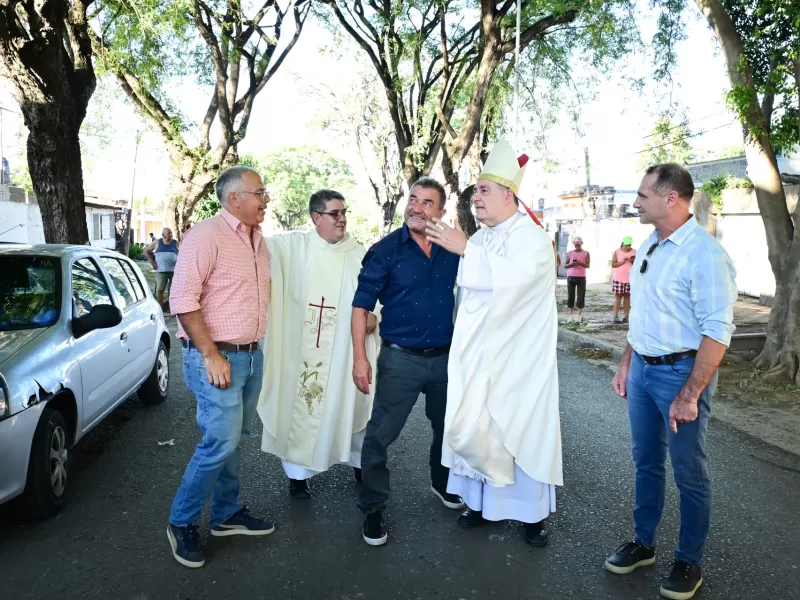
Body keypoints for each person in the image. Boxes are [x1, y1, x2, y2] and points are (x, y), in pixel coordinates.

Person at [605, 164, 737, 600]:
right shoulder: (648, 245)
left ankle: (688, 561)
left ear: (671, 199)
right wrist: (627, 363)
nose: (636, 201)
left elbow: (717, 330)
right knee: (645, 461)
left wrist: (691, 393)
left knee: (689, 472)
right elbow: (640, 315)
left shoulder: (705, 254)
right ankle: (644, 543)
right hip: (642, 369)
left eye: (643, 195)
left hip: (682, 374)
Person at [425, 140, 562, 547]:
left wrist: (465, 249)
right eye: (475, 191)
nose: (475, 198)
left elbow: (516, 283)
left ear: (508, 195)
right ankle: (481, 504)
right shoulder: (482, 239)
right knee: (477, 427)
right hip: (479, 358)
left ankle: (531, 516)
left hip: (519, 362)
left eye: (484, 190)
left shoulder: (533, 239)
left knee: (520, 431)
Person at [166, 166, 273, 569]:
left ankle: (226, 514)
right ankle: (181, 521)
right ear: (234, 199)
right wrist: (211, 355)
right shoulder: (206, 236)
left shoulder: (257, 239)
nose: (265, 199)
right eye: (260, 192)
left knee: (234, 437)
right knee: (218, 443)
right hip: (217, 357)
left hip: (249, 354)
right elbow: (182, 300)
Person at [352, 177, 464, 547]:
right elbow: (361, 306)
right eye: (413, 200)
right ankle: (373, 508)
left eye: (427, 202)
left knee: (446, 428)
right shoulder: (385, 250)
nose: (417, 207)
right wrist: (360, 360)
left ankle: (442, 483)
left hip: (445, 359)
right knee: (380, 435)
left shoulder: (454, 249)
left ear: (441, 212)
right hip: (400, 360)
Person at [257, 190, 381, 499]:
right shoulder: (291, 248)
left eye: (343, 212)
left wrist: (375, 317)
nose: (342, 219)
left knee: (352, 406)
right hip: (303, 351)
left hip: (346, 354)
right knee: (302, 408)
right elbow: (251, 246)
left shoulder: (358, 253)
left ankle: (358, 466)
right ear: (316, 218)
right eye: (334, 213)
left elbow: (378, 298)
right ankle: (298, 476)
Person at [144, 227, 179, 311]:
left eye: (171, 233)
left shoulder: (176, 243)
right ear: (163, 235)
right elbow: (146, 251)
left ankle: (172, 308)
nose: (171, 235)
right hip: (161, 271)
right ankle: (160, 308)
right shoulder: (157, 242)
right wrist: (152, 262)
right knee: (160, 290)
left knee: (174, 290)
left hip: (174, 271)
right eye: (168, 233)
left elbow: (183, 253)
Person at [611, 236, 636, 324]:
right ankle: (615, 316)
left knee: (627, 297)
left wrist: (632, 261)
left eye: (629, 245)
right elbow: (613, 264)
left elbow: (637, 265)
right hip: (619, 278)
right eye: (626, 245)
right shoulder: (617, 252)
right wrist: (622, 262)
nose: (628, 247)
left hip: (629, 279)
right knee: (618, 297)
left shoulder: (634, 252)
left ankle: (626, 316)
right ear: (623, 244)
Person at [565, 237, 590, 323]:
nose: (577, 246)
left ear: (581, 244)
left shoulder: (586, 253)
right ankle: (571, 315)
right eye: (576, 245)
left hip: (581, 277)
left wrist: (580, 263)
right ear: (574, 244)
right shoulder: (570, 253)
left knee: (581, 296)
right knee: (570, 295)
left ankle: (579, 315)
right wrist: (571, 264)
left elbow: (588, 265)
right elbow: (565, 265)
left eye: (578, 245)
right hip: (571, 276)